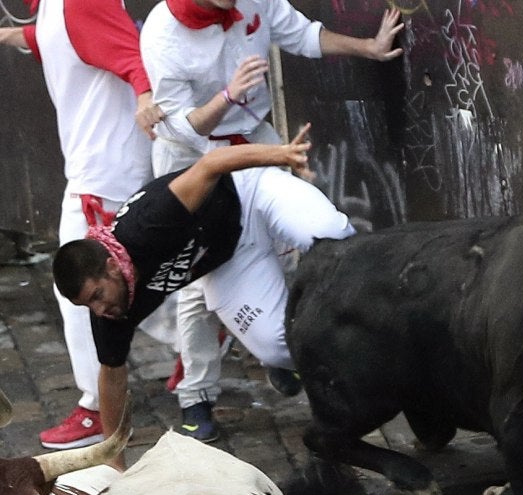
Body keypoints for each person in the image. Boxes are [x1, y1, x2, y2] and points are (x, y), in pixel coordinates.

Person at [139, 0, 403, 441]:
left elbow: (301, 33)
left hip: (258, 140)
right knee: (196, 284)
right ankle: (196, 396)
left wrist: (368, 47)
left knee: (285, 247)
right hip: (194, 159)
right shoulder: (163, 32)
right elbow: (185, 127)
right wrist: (228, 95)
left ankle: (281, 356)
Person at [53, 124, 354, 468]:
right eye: (88, 305)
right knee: (278, 347)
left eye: (97, 295)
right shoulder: (111, 312)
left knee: (333, 239)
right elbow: (111, 379)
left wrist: (281, 154)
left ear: (110, 267)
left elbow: (213, 163)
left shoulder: (149, 222)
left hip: (250, 192)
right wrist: (113, 465)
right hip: (230, 256)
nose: (100, 308)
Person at [0, 0, 165, 449]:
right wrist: (13, 37)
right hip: (99, 169)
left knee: (79, 287)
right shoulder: (57, 8)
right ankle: (207, 337)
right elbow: (56, 39)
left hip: (105, 173)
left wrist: (146, 96)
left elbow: (129, 53)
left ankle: (96, 406)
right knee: (135, 278)